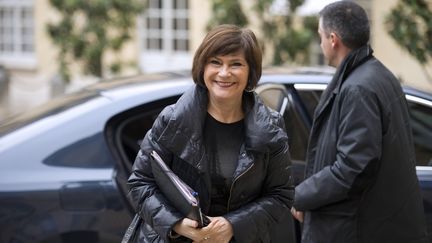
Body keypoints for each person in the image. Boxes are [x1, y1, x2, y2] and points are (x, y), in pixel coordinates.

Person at [127, 24, 294, 243]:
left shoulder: (271, 127)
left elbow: (281, 195)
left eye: (236, 64)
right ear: (203, 67)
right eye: (216, 62)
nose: (224, 73)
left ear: (250, 72)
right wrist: (177, 224)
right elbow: (140, 182)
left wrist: (233, 225)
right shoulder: (173, 120)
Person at [290, 1, 428, 243]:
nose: (320, 42)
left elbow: (353, 167)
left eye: (320, 36)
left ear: (333, 39)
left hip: (358, 229)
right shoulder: (379, 75)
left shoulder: (358, 89)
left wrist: (299, 196)